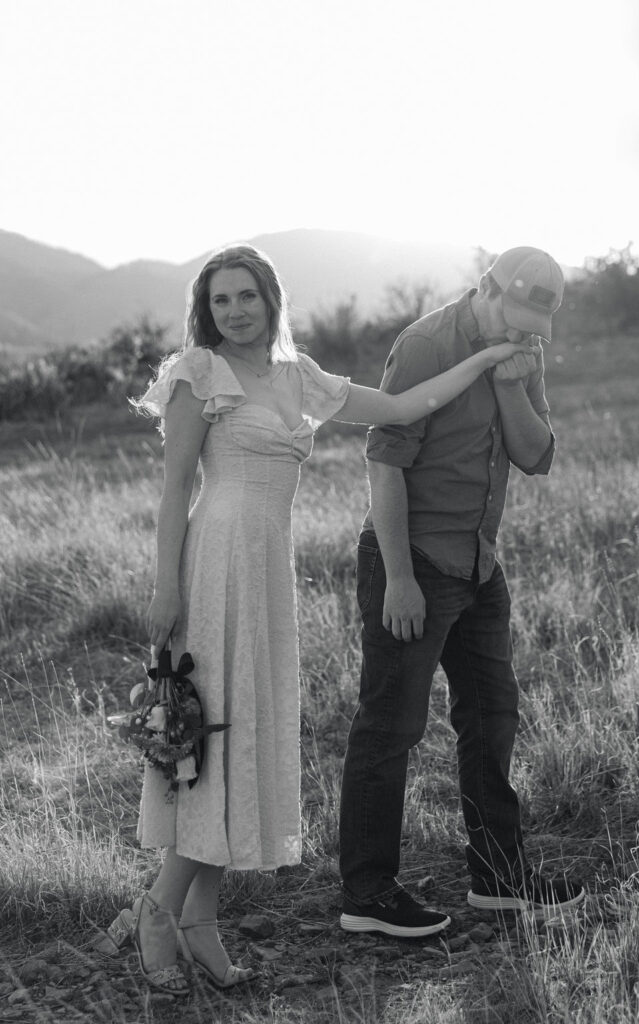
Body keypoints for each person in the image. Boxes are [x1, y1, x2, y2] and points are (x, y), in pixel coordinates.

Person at [97, 243, 533, 995]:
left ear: (271, 300)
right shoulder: (197, 374)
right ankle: (157, 910)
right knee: (212, 736)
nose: (235, 311)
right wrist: (164, 587)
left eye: (247, 297)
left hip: (269, 570)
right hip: (217, 562)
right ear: (207, 310)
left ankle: (200, 919)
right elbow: (173, 494)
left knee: (244, 738)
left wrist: (489, 353)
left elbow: (401, 408)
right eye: (221, 299)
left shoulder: (297, 377)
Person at [338, 247, 586, 939]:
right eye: (521, 310)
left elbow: (535, 455)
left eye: (541, 319)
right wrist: (400, 580)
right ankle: (366, 893)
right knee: (389, 728)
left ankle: (499, 880)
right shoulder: (425, 345)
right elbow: (383, 465)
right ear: (486, 289)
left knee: (491, 716)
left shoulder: (521, 350)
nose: (530, 328)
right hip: (412, 560)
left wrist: (511, 384)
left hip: (477, 563)